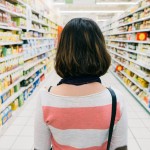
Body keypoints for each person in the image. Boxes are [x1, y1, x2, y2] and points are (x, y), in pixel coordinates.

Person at [34, 18, 128, 150]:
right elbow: (120, 148)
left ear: (62, 51)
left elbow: (40, 148)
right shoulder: (115, 98)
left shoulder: (45, 97)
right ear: (100, 51)